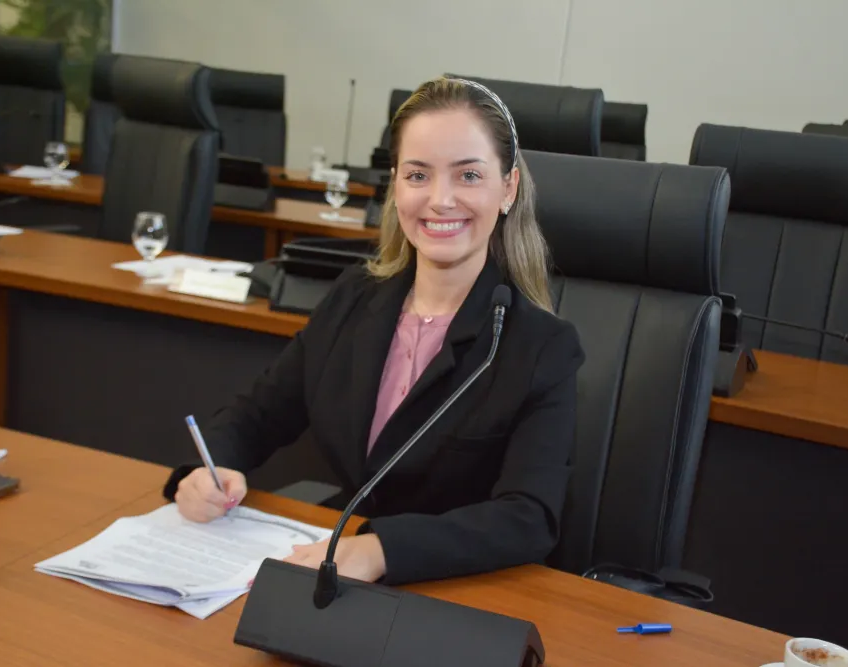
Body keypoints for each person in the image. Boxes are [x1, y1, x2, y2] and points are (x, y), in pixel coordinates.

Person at [163, 76, 585, 586]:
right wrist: (205, 470)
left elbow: (529, 517)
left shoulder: (540, 346)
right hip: (337, 575)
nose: (440, 199)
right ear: (395, 185)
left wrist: (381, 551)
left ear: (508, 188)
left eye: (469, 175)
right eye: (418, 175)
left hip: (458, 591)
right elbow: (260, 413)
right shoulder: (356, 297)